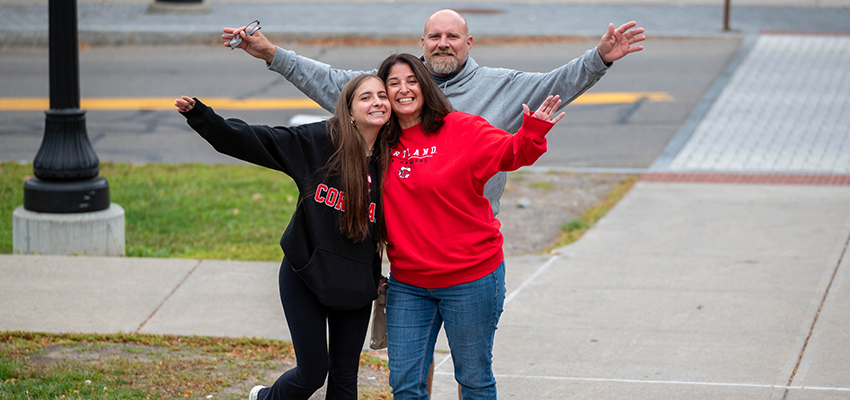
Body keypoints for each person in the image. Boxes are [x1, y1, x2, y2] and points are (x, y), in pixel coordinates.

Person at [223, 9, 645, 216]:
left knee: (473, 364)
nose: (443, 43)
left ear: (469, 42)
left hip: (471, 242)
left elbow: (558, 84)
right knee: (412, 364)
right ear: (422, 43)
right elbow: (333, 83)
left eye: (452, 37)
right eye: (434, 37)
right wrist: (272, 54)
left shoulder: (504, 87)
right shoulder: (396, 87)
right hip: (407, 244)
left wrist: (599, 58)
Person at [174, 74, 392, 400]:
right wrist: (203, 117)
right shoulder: (320, 142)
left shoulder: (394, 159)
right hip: (306, 275)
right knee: (313, 373)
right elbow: (259, 140)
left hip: (355, 284)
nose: (377, 102)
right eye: (365, 97)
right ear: (348, 111)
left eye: (382, 96)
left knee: (345, 377)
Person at [376, 53, 564, 399]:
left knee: (473, 378)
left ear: (426, 86)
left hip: (471, 279)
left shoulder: (462, 128)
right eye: (393, 83)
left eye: (412, 80)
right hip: (409, 284)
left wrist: (532, 131)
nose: (403, 90)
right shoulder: (379, 144)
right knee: (404, 384)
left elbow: (513, 152)